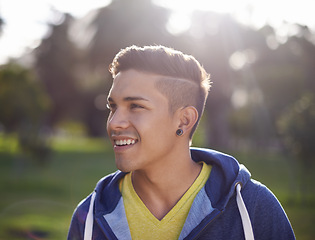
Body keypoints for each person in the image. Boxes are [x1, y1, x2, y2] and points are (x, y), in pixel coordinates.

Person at [68, 45, 295, 240]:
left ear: (184, 120)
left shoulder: (255, 208)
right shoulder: (88, 218)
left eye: (135, 106)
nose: (114, 122)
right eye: (112, 107)